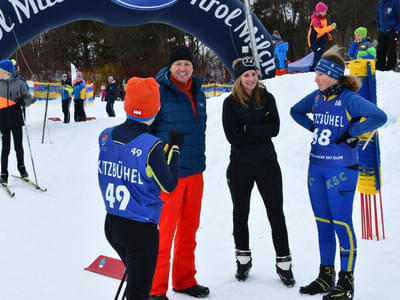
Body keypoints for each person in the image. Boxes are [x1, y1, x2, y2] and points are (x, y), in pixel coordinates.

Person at [290, 46, 387, 300]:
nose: (316, 78)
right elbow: (295, 111)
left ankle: (346, 283)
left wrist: (353, 133)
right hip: (316, 168)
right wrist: (312, 126)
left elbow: (379, 116)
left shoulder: (349, 99)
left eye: (320, 74)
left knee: (342, 224)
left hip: (342, 170)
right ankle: (325, 276)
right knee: (323, 224)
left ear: (333, 75)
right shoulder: (318, 97)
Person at [98, 77, 181, 300]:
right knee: (139, 291)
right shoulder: (151, 145)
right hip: (140, 230)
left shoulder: (105, 135)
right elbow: (169, 185)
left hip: (112, 224)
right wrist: (175, 151)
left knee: (135, 281)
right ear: (155, 109)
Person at [222, 57, 295, 287]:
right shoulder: (230, 103)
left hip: (267, 164)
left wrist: (247, 128)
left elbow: (274, 129)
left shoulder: (267, 98)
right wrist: (258, 130)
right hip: (240, 166)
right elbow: (232, 136)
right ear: (239, 79)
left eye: (254, 74)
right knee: (240, 213)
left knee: (276, 213)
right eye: (246, 75)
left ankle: (284, 264)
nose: (251, 79)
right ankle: (243, 260)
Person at [149, 45, 209, 300]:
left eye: (187, 64)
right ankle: (155, 288)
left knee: (189, 230)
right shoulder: (158, 91)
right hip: (169, 175)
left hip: (195, 171)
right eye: (178, 65)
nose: (183, 69)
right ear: (170, 67)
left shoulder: (198, 90)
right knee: (164, 232)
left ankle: (184, 280)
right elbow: (146, 131)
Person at [0, 59, 35, 184]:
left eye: (1, 72)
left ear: (7, 72)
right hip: (3, 119)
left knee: (18, 146)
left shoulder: (20, 82)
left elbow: (29, 98)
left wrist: (23, 102)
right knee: (5, 148)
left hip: (16, 117)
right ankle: (3, 173)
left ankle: (22, 169)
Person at [308, 2, 336, 71]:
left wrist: (328, 35)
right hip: (314, 41)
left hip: (320, 39)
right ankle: (313, 69)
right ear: (319, 12)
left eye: (325, 11)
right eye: (323, 11)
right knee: (318, 53)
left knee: (321, 53)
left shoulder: (323, 18)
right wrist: (331, 27)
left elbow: (324, 29)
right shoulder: (315, 20)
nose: (325, 13)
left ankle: (319, 67)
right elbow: (320, 30)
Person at [376, 0, 400, 71]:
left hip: (392, 31)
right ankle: (380, 67)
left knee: (391, 50)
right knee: (380, 50)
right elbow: (378, 16)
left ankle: (391, 68)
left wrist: (397, 29)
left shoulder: (396, 2)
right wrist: (379, 28)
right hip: (382, 31)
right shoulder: (380, 3)